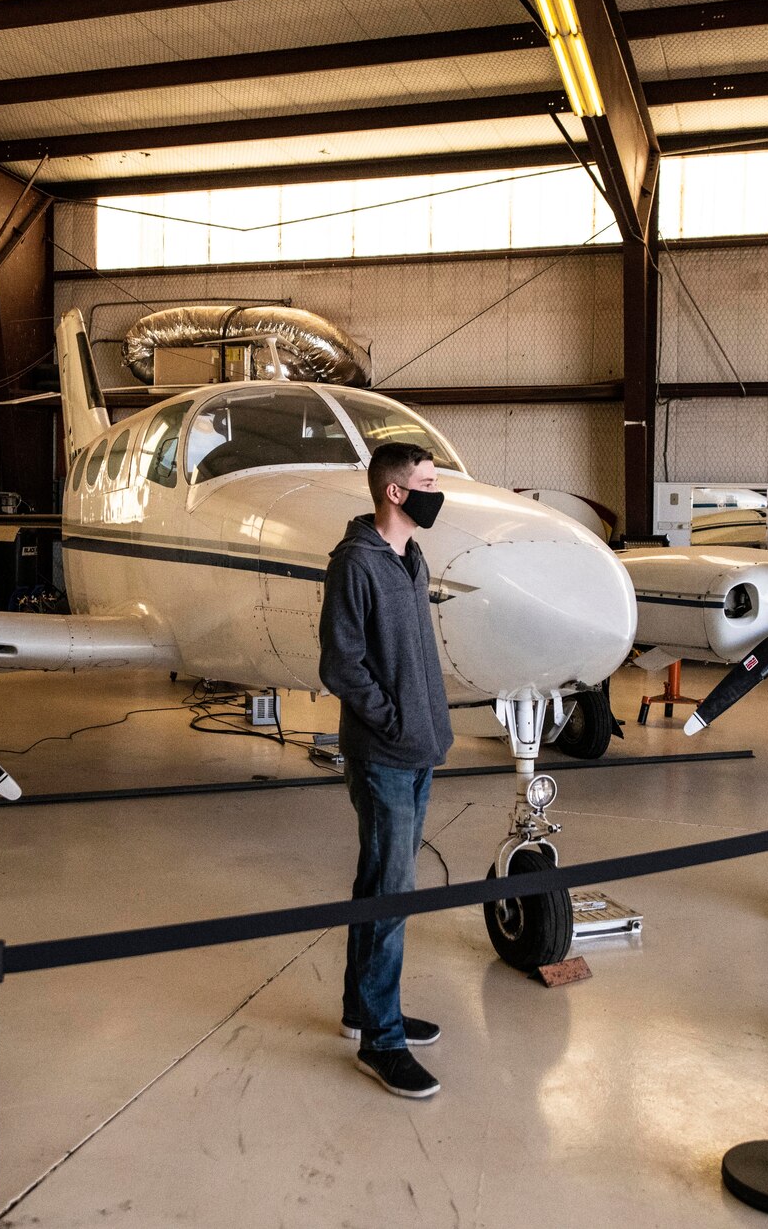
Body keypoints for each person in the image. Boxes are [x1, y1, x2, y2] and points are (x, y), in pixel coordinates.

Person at [318, 441, 453, 1100]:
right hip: (385, 754)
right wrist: (394, 722)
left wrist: (425, 724)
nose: (437, 490)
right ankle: (382, 1039)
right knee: (391, 891)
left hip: (417, 747)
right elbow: (341, 664)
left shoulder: (410, 556)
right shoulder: (356, 563)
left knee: (381, 879)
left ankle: (363, 1006)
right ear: (396, 492)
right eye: (428, 481)